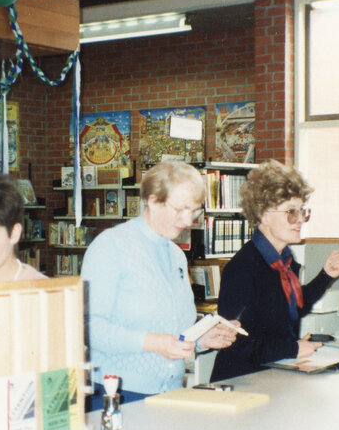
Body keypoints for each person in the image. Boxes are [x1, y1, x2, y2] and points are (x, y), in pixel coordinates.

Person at [81, 159, 238, 405]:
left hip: (169, 393)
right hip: (118, 393)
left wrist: (199, 340)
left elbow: (171, 329)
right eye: (181, 209)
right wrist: (152, 343)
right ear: (152, 201)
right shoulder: (110, 246)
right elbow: (88, 328)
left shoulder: (176, 254)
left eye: (195, 211)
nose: (188, 221)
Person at [211, 160, 339, 382]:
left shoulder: (284, 261)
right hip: (241, 381)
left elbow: (293, 309)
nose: (300, 220)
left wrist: (325, 276)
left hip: (274, 373)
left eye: (302, 211)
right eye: (291, 212)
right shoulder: (243, 268)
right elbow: (237, 341)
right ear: (264, 215)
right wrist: (292, 349)